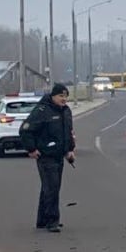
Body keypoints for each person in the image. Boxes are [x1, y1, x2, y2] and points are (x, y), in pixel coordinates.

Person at [19, 84, 75, 233]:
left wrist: (70, 149)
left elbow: (68, 132)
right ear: (53, 96)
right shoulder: (42, 111)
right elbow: (25, 130)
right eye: (61, 96)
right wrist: (31, 149)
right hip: (45, 156)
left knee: (49, 188)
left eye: (65, 96)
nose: (64, 99)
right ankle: (53, 221)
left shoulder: (65, 111)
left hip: (59, 155)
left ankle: (43, 220)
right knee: (52, 188)